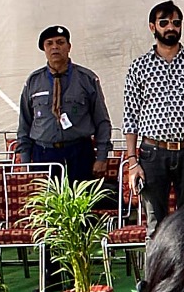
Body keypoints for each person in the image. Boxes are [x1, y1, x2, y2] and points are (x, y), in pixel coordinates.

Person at [123, 0, 184, 231]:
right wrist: (132, 162)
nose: (171, 28)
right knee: (156, 225)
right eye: (164, 22)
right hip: (152, 153)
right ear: (152, 27)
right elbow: (130, 117)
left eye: (176, 23)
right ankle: (158, 258)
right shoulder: (138, 67)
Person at [19, 26, 114, 188]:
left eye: (60, 42)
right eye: (49, 43)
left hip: (79, 153)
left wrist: (101, 157)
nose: (55, 47)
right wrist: (25, 160)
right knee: (47, 201)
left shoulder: (86, 79)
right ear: (44, 49)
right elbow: (24, 123)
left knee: (80, 200)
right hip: (44, 154)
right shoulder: (33, 81)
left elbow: (102, 121)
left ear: (69, 47)